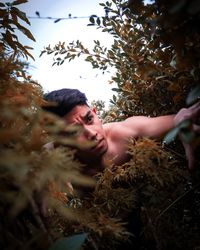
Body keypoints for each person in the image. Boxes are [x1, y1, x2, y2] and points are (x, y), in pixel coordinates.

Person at [43, 88, 200, 174]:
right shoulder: (52, 160)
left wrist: (183, 125)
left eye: (89, 119)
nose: (91, 134)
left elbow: (180, 118)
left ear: (96, 113)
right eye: (73, 132)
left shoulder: (124, 133)